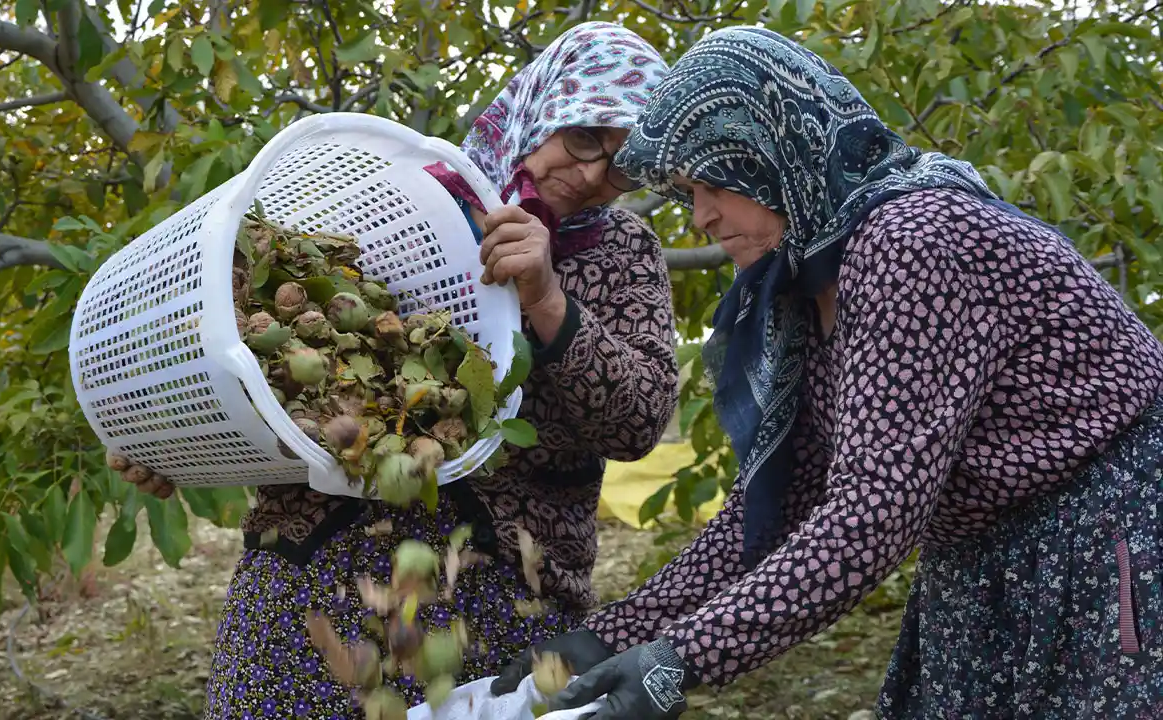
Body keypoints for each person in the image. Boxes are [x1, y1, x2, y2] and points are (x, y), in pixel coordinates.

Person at [492, 26, 1163, 719]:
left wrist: (681, 657)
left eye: (714, 184)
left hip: (1102, 548)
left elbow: (873, 511)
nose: (701, 217)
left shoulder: (911, 241)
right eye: (688, 193)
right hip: (984, 565)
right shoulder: (806, 286)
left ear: (773, 157)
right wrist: (605, 637)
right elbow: (776, 510)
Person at [112, 21, 679, 719]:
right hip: (312, 576)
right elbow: (279, 370)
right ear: (545, 110)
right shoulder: (416, 203)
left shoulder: (622, 250)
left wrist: (548, 300)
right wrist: (175, 440)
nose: (594, 174)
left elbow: (638, 422)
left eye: (622, 164)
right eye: (585, 138)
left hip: (500, 596)